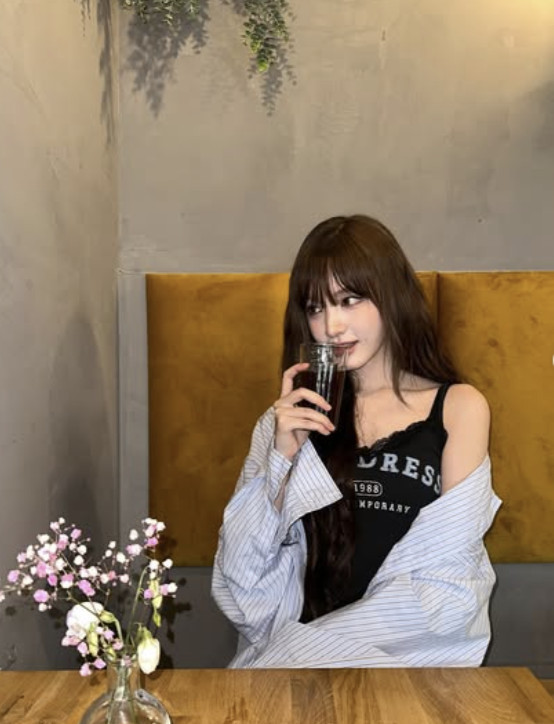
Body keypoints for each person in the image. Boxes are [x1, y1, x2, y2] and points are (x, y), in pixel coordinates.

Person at [211, 214, 501, 668]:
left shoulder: (459, 408)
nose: (332, 326)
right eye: (315, 307)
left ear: (391, 294)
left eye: (349, 300)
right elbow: (242, 583)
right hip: (295, 682)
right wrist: (282, 458)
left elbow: (450, 580)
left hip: (405, 670)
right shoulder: (285, 422)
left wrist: (307, 653)